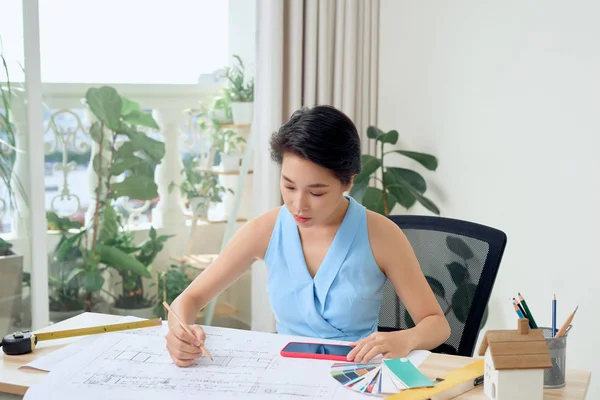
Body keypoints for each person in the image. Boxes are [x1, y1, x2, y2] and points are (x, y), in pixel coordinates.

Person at [165, 105, 450, 367]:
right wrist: (180, 332)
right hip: (284, 374)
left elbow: (436, 324)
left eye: (316, 192)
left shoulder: (381, 235)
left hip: (357, 374)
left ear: (348, 181)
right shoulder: (265, 230)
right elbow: (187, 300)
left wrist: (405, 339)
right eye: (289, 187)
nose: (298, 205)